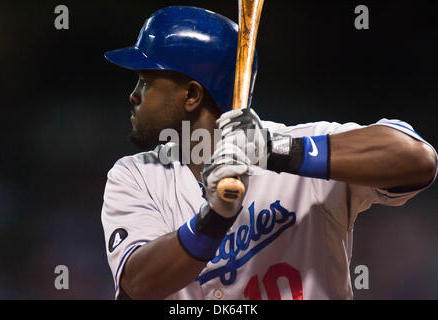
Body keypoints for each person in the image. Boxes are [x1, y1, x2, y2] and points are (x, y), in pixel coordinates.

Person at [101, 6, 437, 300]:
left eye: (146, 81)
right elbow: (138, 284)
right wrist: (215, 218)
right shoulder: (135, 176)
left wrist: (278, 152)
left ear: (191, 94)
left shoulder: (301, 146)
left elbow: (418, 160)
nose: (134, 95)